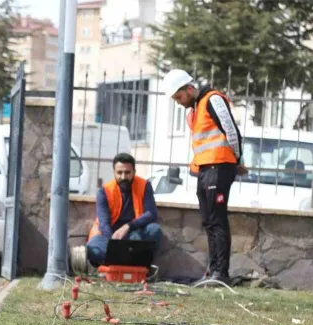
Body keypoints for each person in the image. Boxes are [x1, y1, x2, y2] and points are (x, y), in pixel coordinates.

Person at [162, 69, 248, 284]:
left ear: (189, 89)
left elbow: (230, 129)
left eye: (179, 97)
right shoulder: (194, 111)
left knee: (217, 220)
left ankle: (221, 273)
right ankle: (213, 271)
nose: (179, 102)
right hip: (205, 170)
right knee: (209, 221)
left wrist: (237, 160)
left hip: (219, 167)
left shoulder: (213, 100)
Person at [85, 153, 162, 267]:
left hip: (134, 232)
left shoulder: (144, 185)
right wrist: (115, 245)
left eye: (127, 172)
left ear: (134, 172)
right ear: (114, 172)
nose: (123, 177)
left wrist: (128, 227)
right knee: (93, 250)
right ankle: (128, 261)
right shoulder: (104, 191)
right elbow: (104, 223)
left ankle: (121, 261)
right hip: (109, 236)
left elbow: (152, 213)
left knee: (154, 230)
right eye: (119, 173)